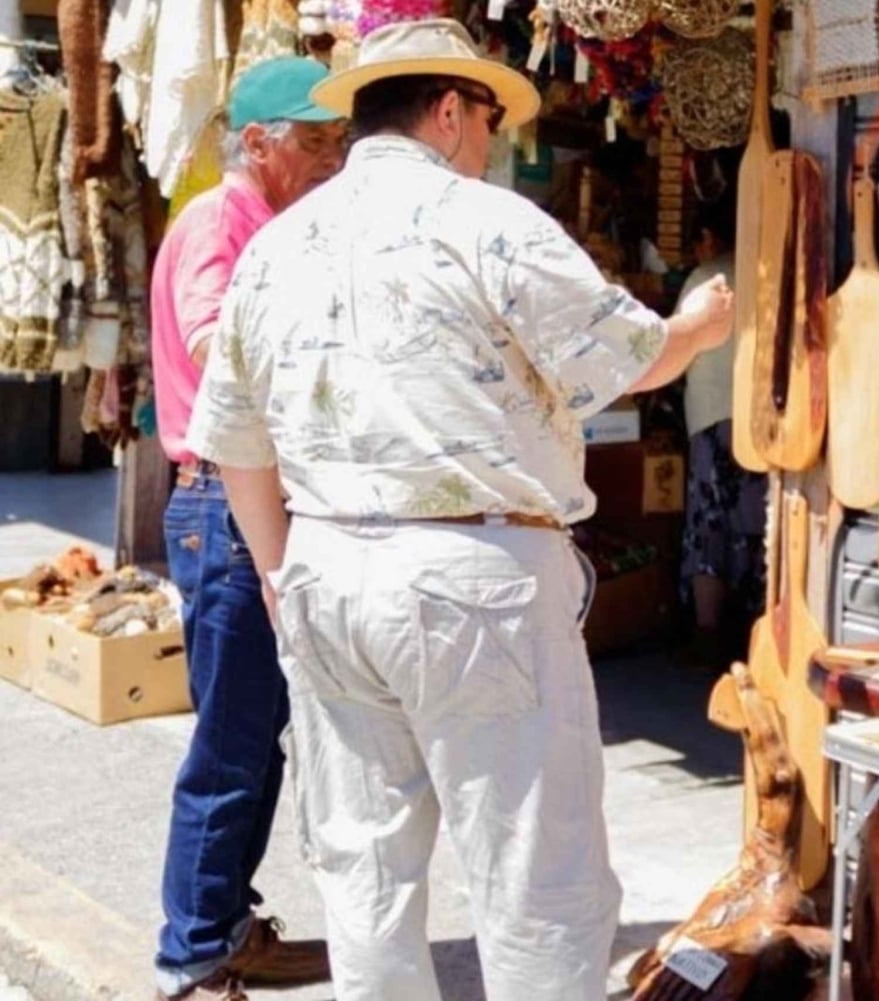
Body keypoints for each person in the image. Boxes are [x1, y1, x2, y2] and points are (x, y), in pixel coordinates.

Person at [184, 19, 735, 1001]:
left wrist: (278, 573)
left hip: (326, 567)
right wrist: (698, 326)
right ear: (448, 111)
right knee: (536, 880)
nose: (490, 139)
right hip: (469, 578)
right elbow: (626, 359)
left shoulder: (278, 247)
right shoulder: (486, 220)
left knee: (364, 878)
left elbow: (235, 437)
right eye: (486, 116)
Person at [149, 57, 346, 1001]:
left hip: (241, 503)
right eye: (315, 141)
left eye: (338, 140)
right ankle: (191, 958)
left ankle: (225, 928)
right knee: (230, 746)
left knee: (255, 738)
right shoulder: (219, 218)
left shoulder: (264, 222)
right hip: (225, 505)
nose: (332, 159)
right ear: (258, 143)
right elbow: (212, 339)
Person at [678, 203, 767, 664]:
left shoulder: (705, 280)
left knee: (709, 520)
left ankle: (708, 631)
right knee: (756, 525)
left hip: (712, 416)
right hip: (759, 418)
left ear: (710, 236)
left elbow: (676, 345)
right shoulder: (767, 269)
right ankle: (757, 633)